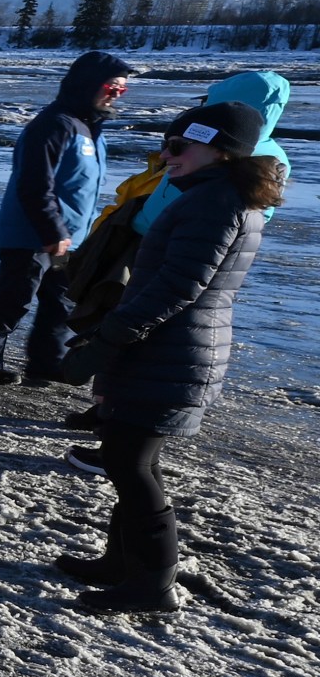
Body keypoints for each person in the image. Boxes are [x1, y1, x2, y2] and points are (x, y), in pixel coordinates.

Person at [51, 101, 280, 614]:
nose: (166, 155)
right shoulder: (216, 194)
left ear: (221, 150)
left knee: (129, 463)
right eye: (165, 145)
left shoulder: (216, 202)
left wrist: (107, 340)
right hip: (166, 350)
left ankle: (152, 584)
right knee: (130, 458)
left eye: (179, 146)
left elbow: (177, 287)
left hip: (172, 353)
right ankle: (124, 562)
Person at [60, 69, 292, 430]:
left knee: (134, 326)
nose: (169, 155)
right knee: (136, 328)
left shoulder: (220, 168)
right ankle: (115, 416)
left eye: (177, 148)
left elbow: (175, 229)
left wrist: (147, 227)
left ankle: (117, 420)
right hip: (184, 251)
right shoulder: (251, 154)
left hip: (167, 248)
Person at [0, 49, 136, 385]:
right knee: (13, 298)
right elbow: (34, 182)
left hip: (70, 235)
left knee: (60, 302)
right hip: (32, 233)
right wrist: (52, 229)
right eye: (112, 87)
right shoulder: (54, 124)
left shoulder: (90, 129)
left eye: (122, 90)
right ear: (87, 85)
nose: (116, 95)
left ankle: (46, 362)